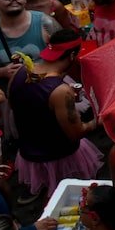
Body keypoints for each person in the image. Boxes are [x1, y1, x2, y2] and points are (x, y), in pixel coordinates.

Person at [8, 30, 102, 200]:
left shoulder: (20, 71)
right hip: (59, 156)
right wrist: (98, 120)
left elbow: (13, 104)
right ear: (73, 55)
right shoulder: (60, 90)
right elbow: (76, 132)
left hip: (28, 152)